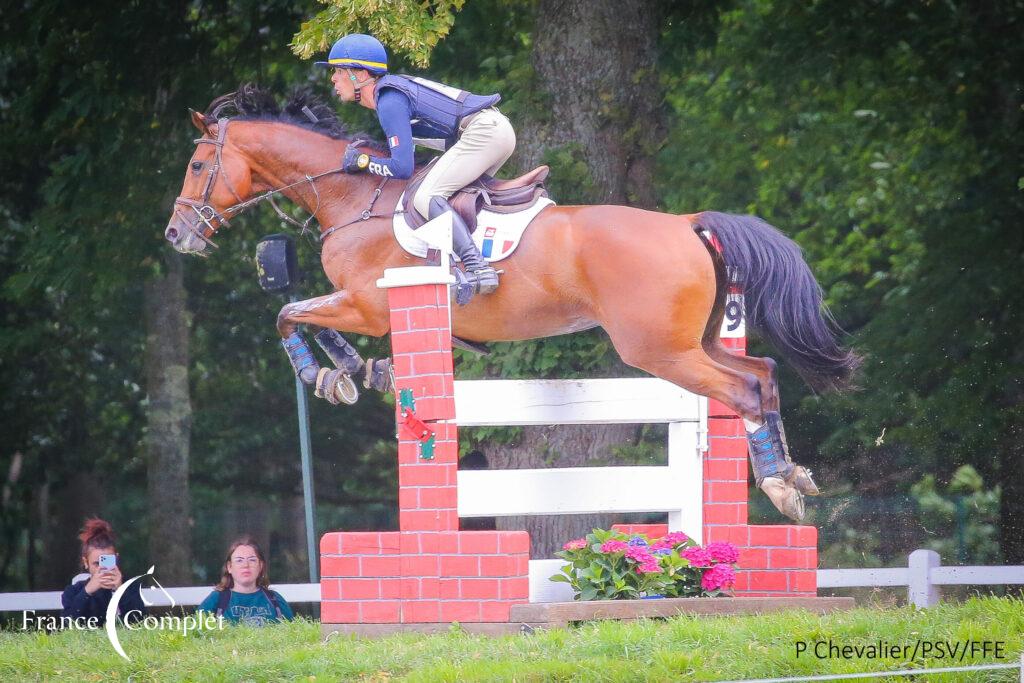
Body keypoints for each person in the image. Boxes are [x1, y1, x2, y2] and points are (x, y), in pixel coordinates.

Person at [316, 33, 515, 296]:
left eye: (339, 71)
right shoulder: (390, 97)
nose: (333, 78)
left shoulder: (388, 100)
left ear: (360, 75)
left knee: (427, 196)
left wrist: (363, 161)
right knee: (444, 198)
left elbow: (402, 168)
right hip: (489, 131)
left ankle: (478, 267)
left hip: (483, 132)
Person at [61, 518, 146, 625]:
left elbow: (139, 622)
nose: (102, 569)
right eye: (97, 564)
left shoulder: (130, 587)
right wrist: (87, 591)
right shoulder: (75, 591)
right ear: (86, 562)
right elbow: (68, 624)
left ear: (116, 559)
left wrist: (121, 590)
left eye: (107, 562)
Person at [197, 536, 294, 626]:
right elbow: (197, 634)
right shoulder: (217, 599)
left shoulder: (275, 599)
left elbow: (293, 636)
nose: (246, 565)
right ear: (229, 567)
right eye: (239, 560)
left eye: (252, 560)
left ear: (260, 566)